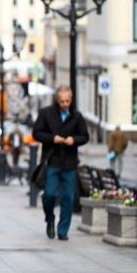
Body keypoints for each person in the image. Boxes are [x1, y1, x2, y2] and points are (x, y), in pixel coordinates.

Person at [32, 85, 89, 241]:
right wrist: (52, 138)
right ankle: (49, 219)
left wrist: (74, 140)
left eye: (67, 101)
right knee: (49, 194)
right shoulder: (46, 113)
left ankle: (63, 230)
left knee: (68, 198)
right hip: (52, 160)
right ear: (57, 100)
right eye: (62, 101)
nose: (65, 104)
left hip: (70, 162)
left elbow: (85, 136)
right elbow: (36, 132)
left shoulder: (76, 116)